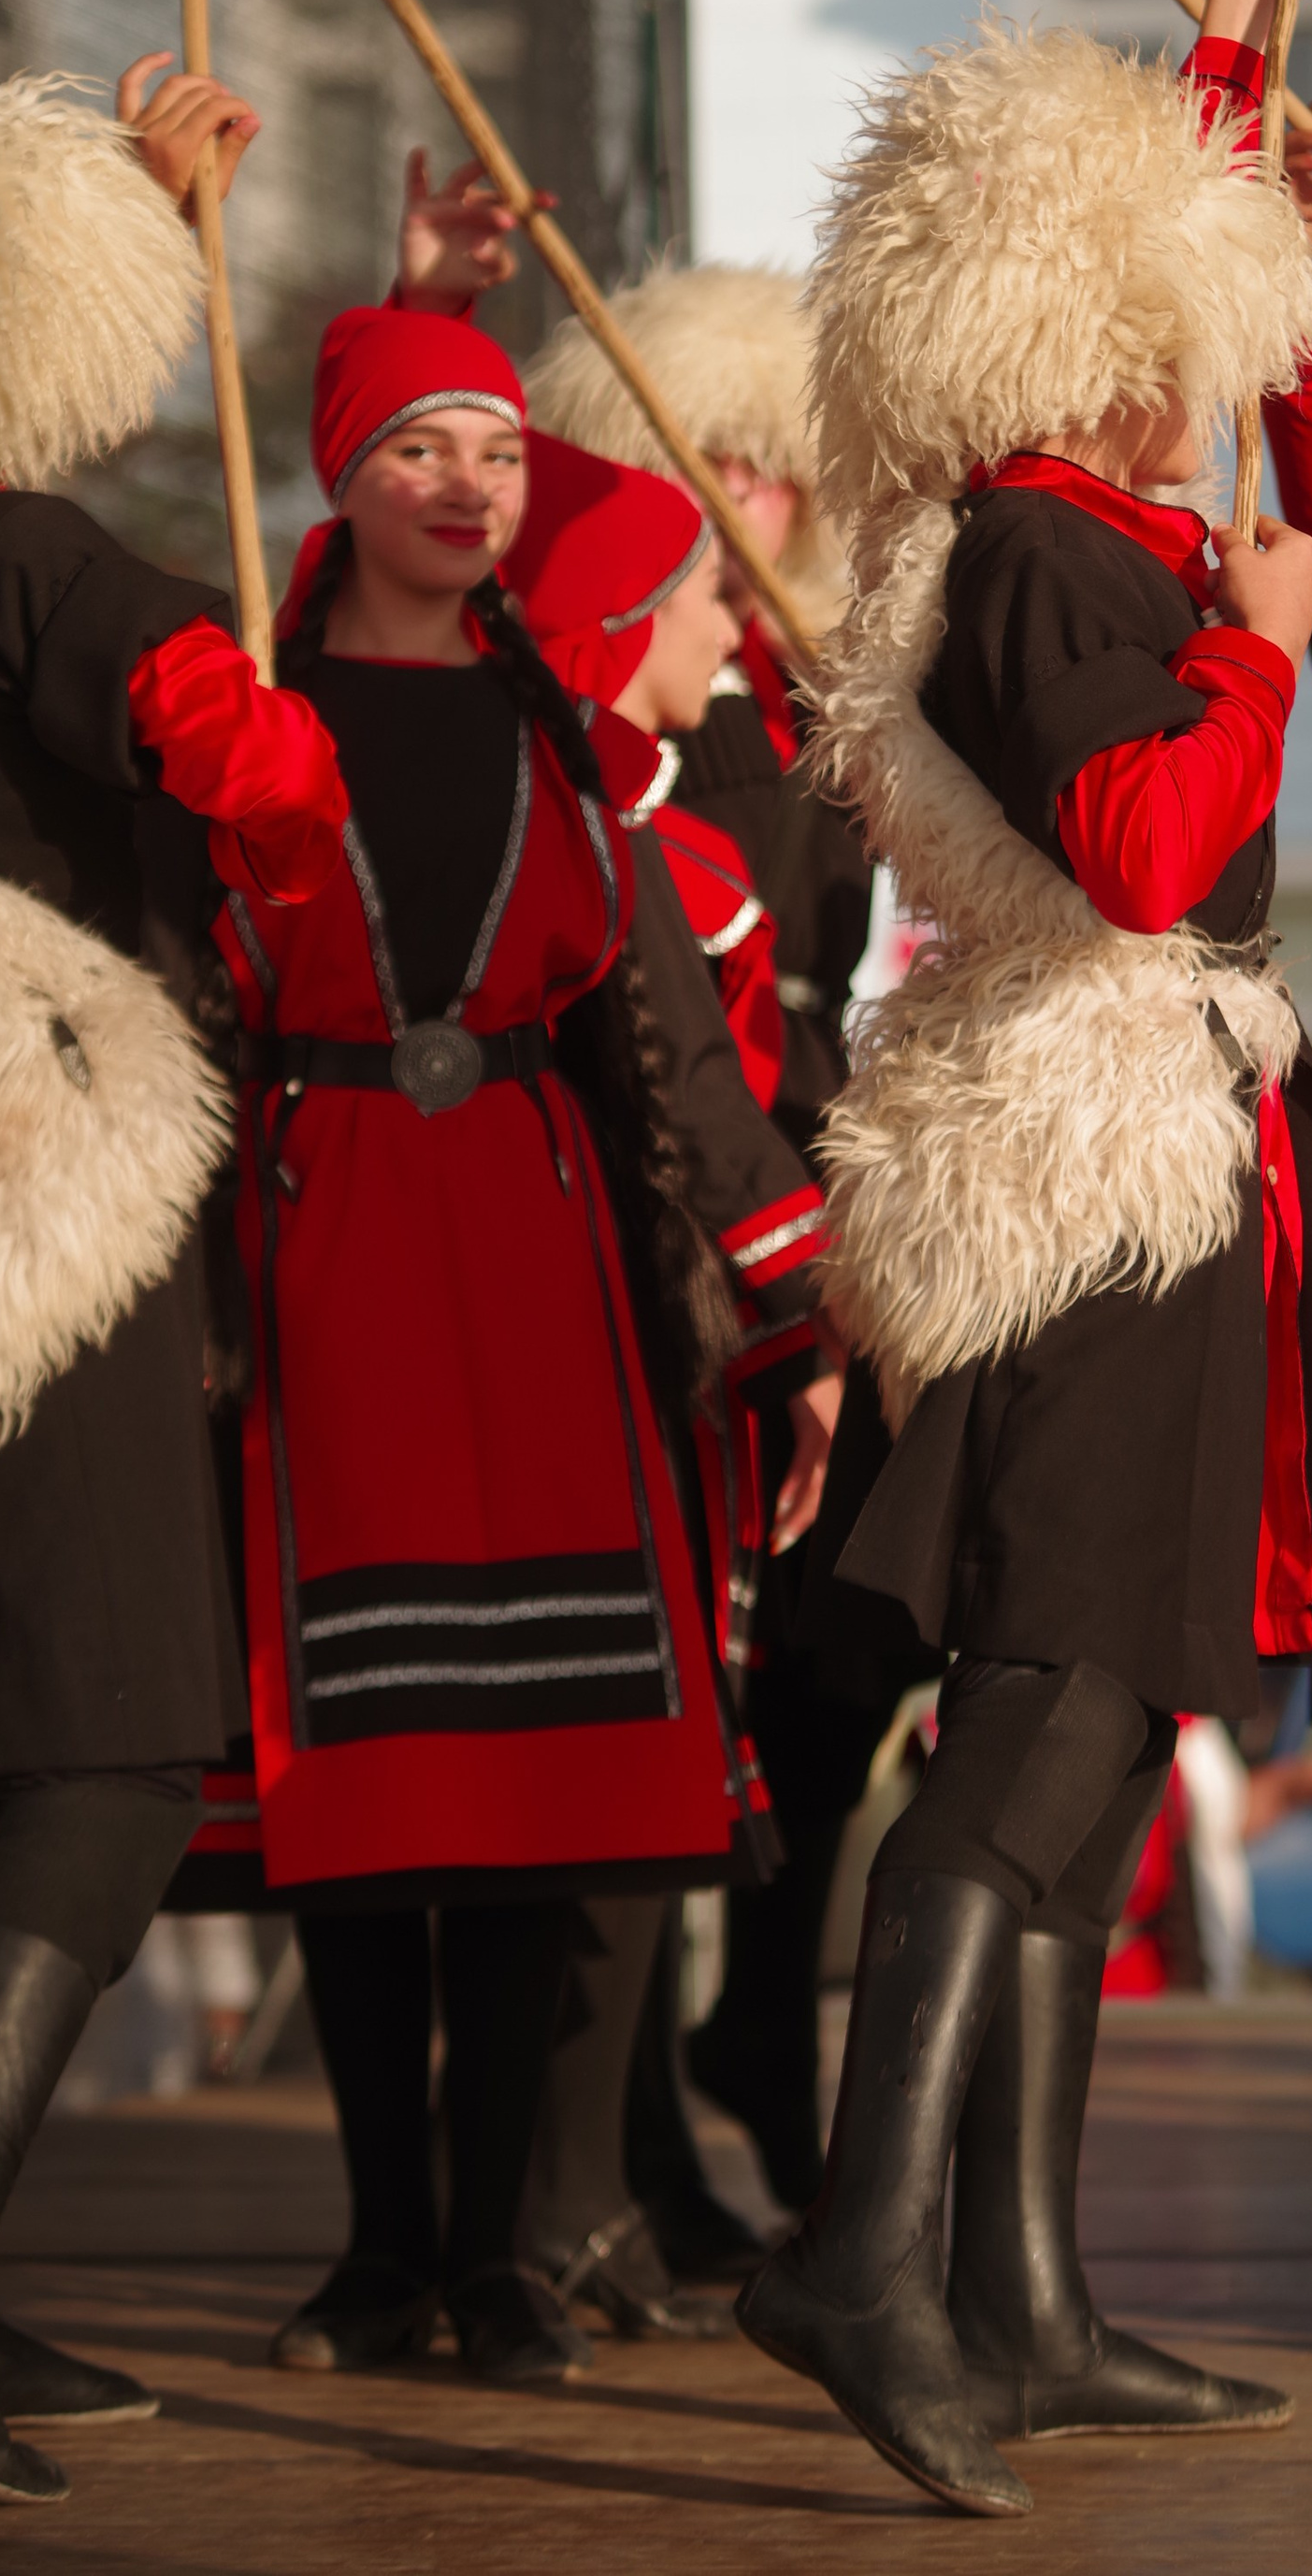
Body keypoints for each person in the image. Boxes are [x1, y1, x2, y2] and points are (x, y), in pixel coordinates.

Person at [733, 0, 1312, 2515]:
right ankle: (867, 2258)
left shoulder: (1068, 522)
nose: (1196, 343)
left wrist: (1236, 14)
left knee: (1104, 1756)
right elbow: (1137, 836)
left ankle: (1028, 2286)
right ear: (1073, 346)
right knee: (1046, 1710)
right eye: (1159, 323)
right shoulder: (1036, 549)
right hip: (1086, 1164)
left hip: (1135, 1155)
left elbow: (1156, 211)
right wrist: (1274, 636)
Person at [0, 39, 347, 2506]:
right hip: (60, 1191)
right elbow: (258, 767)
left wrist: (150, 216)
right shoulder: (40, 564)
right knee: (121, 1746)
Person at [223, 308, 829, 2393]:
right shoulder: (251, 712)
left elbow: (652, 1032)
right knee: (371, 1765)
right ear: (334, 481)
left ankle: (494, 2253)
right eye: (416, 448)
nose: (470, 483)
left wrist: (783, 1312)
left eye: (496, 447)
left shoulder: (564, 728)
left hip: (545, 1258)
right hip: (333, 1243)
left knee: (525, 1779)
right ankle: (378, 2243)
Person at [397, 199, 879, 2242]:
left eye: (769, 460)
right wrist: (428, 319)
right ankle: (611, 2166)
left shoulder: (825, 711)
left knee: (822, 1694)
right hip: (665, 1233)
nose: (751, 497)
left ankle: (735, 2054)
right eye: (714, 460)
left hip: (808, 1203)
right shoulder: (617, 709)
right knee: (651, 1716)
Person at [497, 433, 839, 2335]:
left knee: (637, 1776)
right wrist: (806, 1326)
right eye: (696, 584)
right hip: (589, 1330)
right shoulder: (595, 825)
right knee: (587, 1772)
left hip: (642, 1326)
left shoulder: (660, 824)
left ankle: (561, 2204)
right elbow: (695, 1106)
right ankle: (518, 2211)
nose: (730, 611)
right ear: (624, 620)